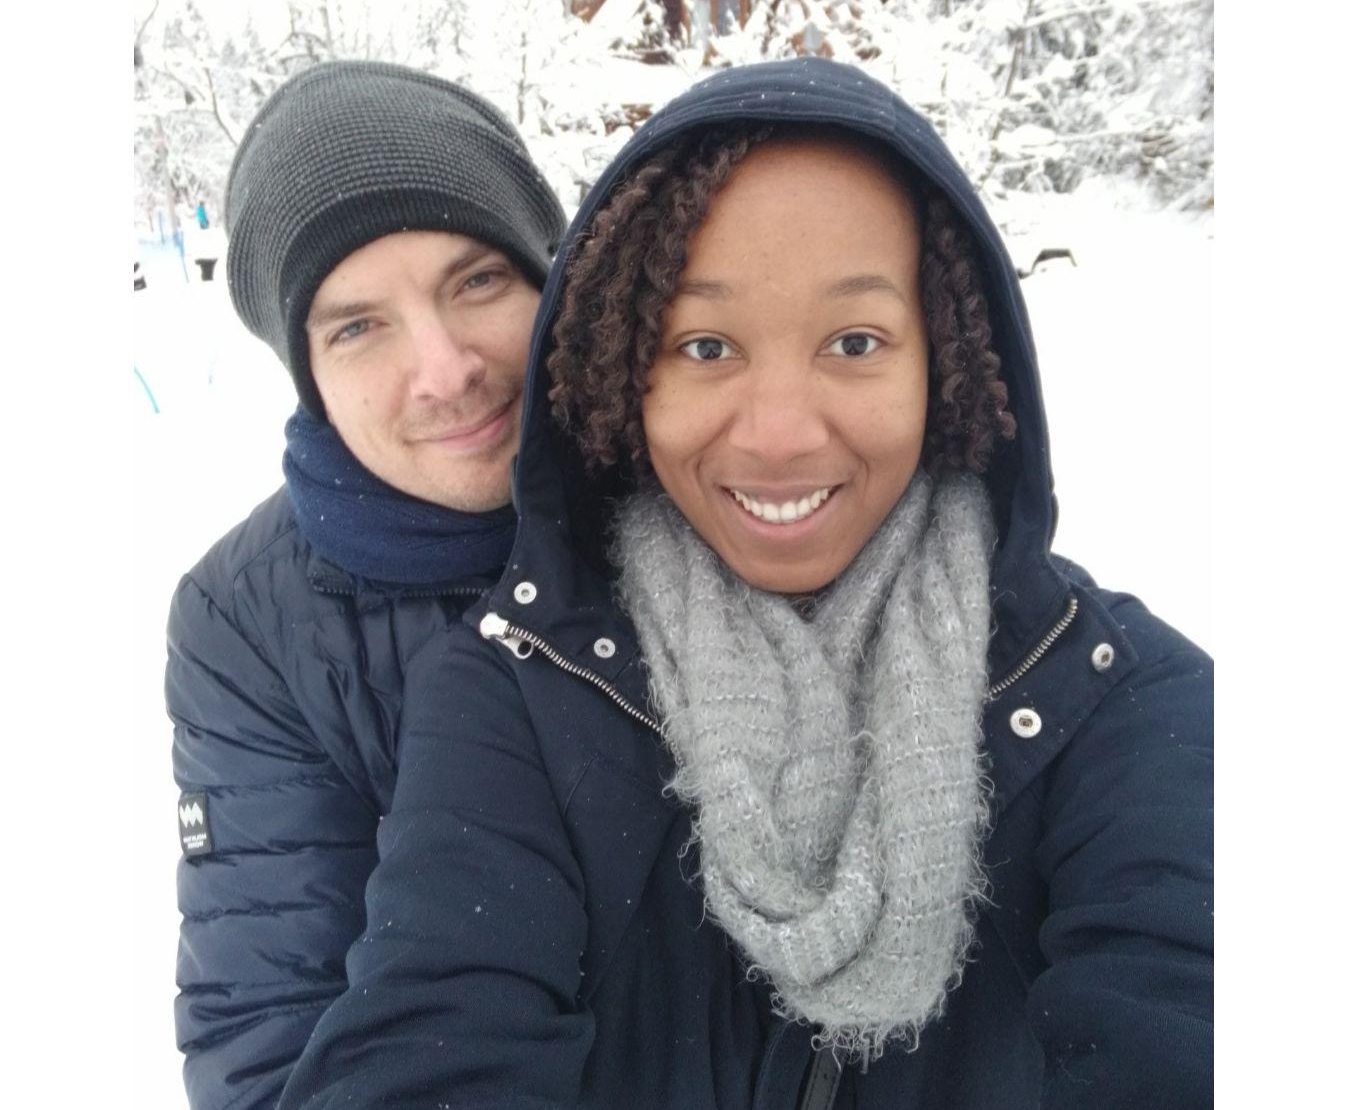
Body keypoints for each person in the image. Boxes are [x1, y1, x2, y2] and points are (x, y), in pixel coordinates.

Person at [278, 58, 1213, 1109]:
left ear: (946, 362)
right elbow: (432, 1026)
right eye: (706, 345)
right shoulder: (514, 695)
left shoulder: (1120, 699)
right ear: (623, 373)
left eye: (853, 342)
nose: (778, 434)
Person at [165, 60, 567, 1110]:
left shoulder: (709, 485)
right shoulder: (249, 621)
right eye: (357, 325)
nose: (444, 369)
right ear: (308, 373)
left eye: (477, 281)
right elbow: (270, 1036)